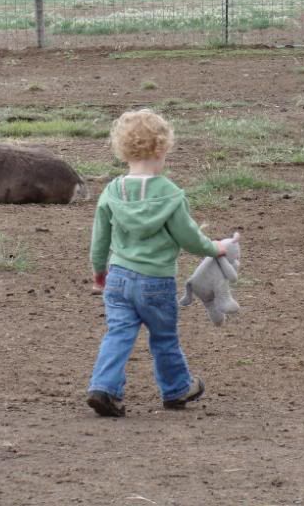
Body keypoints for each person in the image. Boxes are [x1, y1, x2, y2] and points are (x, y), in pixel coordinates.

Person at [86, 109, 227, 417]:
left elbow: (100, 240)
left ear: (122, 149)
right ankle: (177, 389)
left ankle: (103, 388)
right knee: (164, 337)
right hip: (156, 283)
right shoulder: (170, 195)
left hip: (118, 279)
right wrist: (213, 248)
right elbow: (189, 238)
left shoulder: (112, 191)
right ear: (162, 149)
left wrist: (99, 273)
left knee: (118, 333)